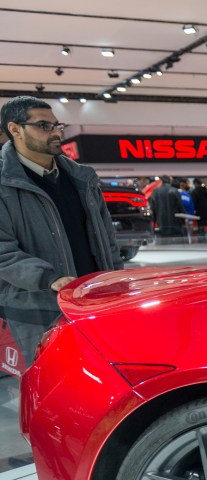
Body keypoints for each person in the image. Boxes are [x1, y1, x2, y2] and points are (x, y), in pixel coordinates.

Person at [0, 95, 121, 362]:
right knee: (53, 382)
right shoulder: (4, 184)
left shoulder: (82, 177)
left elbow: (106, 239)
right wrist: (49, 278)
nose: (55, 133)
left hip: (93, 302)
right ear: (15, 129)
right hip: (38, 310)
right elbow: (2, 252)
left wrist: (115, 280)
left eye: (57, 125)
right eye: (44, 126)